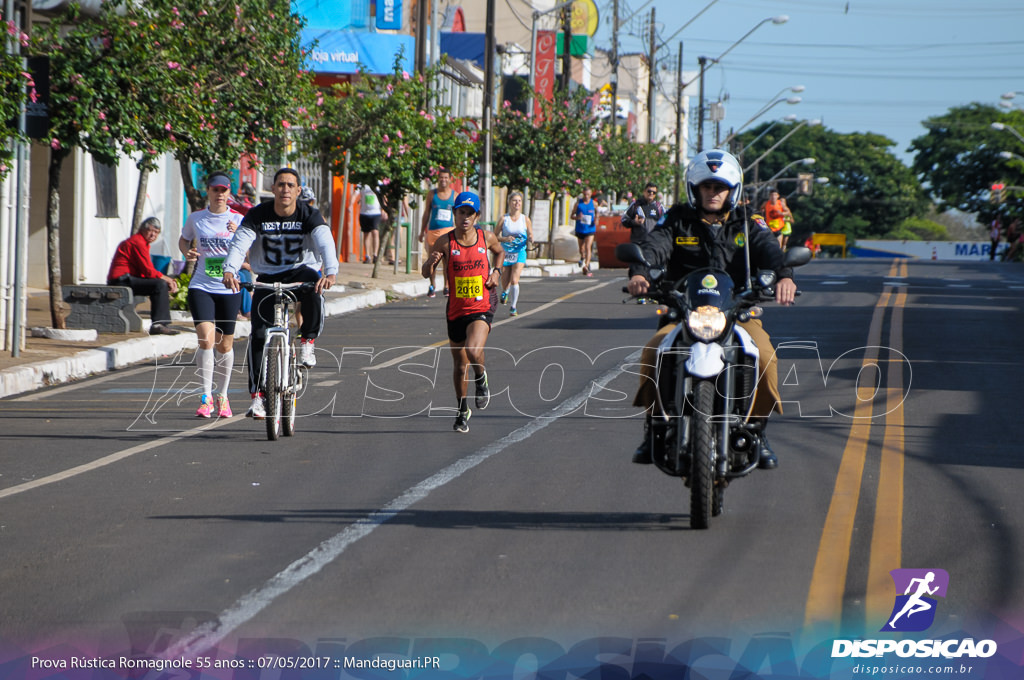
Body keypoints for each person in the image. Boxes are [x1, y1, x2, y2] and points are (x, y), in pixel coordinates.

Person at [626, 149, 798, 470]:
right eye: (707, 187)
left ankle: (757, 431)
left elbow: (770, 250)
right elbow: (654, 247)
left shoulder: (749, 222)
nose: (713, 193)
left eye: (720, 187)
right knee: (653, 353)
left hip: (738, 313)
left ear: (732, 190)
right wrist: (639, 272)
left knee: (765, 357)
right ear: (695, 189)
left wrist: (784, 276)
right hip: (684, 312)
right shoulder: (676, 220)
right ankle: (654, 429)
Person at [221, 167, 339, 419]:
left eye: (290, 185)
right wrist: (229, 270)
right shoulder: (257, 214)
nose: (285, 189)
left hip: (300, 273)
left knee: (314, 285)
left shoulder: (309, 214)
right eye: (280, 184)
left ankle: (307, 341)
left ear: (298, 191)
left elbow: (325, 241)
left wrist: (331, 272)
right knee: (258, 336)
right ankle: (257, 398)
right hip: (267, 277)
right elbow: (240, 241)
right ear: (273, 189)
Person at [421, 191, 504, 433]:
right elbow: (426, 273)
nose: (465, 217)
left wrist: (496, 273)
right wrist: (431, 262)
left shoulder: (486, 237)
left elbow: (499, 252)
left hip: (482, 305)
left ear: (476, 216)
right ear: (455, 214)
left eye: (470, 213)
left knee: (473, 350)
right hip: (456, 309)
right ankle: (461, 410)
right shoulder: (445, 242)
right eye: (461, 212)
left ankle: (481, 378)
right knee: (459, 366)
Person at [178, 172, 245, 418]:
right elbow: (183, 240)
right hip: (202, 285)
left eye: (223, 190)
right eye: (215, 190)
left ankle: (223, 395)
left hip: (229, 288)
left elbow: (250, 254)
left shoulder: (239, 219)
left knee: (224, 345)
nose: (219, 195)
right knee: (206, 340)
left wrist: (239, 233)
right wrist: (188, 252)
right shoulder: (197, 218)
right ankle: (205, 396)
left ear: (229, 193)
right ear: (208, 191)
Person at [106, 216, 181, 336]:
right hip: (120, 280)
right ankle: (158, 324)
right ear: (142, 230)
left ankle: (160, 324)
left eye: (156, 232)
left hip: (128, 278)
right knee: (160, 284)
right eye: (150, 231)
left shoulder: (143, 243)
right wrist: (168, 279)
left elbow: (146, 271)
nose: (153, 235)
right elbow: (148, 271)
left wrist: (165, 279)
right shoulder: (138, 242)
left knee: (159, 284)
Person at [418, 168, 456, 297]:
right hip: (433, 232)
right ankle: (432, 285)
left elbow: (457, 215)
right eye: (441, 177)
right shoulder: (432, 194)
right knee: (432, 260)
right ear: (438, 179)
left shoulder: (454, 195)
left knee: (447, 261)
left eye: (446, 177)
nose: (443, 180)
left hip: (448, 232)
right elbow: (426, 213)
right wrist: (422, 231)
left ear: (450, 179)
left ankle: (446, 286)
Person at [495, 190, 533, 316]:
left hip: (520, 252)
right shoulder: (503, 219)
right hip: (506, 252)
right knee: (505, 281)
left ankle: (513, 306)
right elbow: (494, 237)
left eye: (519, 201)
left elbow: (530, 234)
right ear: (509, 202)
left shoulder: (525, 219)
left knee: (514, 279)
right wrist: (504, 239)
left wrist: (531, 239)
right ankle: (505, 291)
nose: (517, 203)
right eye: (514, 201)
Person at [570, 187, 597, 276]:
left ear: (591, 194)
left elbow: (597, 213)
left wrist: (596, 220)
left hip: (590, 229)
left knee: (588, 247)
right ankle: (582, 256)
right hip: (580, 229)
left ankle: (586, 265)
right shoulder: (578, 204)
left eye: (588, 194)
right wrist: (577, 217)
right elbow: (572, 216)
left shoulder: (594, 203)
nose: (586, 196)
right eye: (585, 194)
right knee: (581, 248)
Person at [358, 183, 383, 264]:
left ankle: (375, 255)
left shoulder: (378, 183)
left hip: (376, 213)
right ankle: (367, 256)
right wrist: (351, 203)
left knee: (375, 232)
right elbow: (356, 193)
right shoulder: (361, 184)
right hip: (364, 213)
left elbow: (383, 196)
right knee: (366, 234)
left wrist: (383, 209)